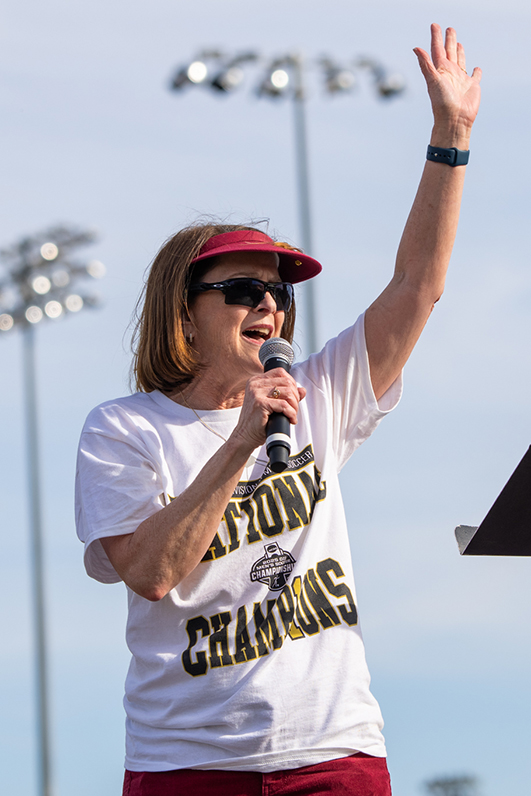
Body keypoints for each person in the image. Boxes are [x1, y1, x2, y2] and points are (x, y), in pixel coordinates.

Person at [75, 24, 481, 796]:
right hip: (187, 763)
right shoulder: (123, 429)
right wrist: (239, 442)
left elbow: (416, 287)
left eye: (278, 293)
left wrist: (450, 136)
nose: (267, 305)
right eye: (242, 290)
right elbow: (152, 574)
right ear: (183, 312)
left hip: (334, 753)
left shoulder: (318, 394)